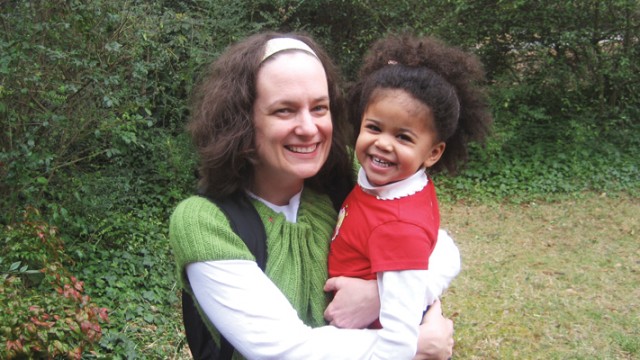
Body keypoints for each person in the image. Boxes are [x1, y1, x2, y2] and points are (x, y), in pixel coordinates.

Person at [169, 31, 455, 359]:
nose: (308, 127)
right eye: (284, 111)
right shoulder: (204, 222)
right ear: (243, 121)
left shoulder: (342, 188)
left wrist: (378, 295)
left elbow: (439, 247)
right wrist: (414, 344)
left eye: (319, 108)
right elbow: (284, 349)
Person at [327, 33, 492, 359]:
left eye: (403, 137)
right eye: (374, 127)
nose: (383, 143)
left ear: (432, 153)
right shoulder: (397, 186)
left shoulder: (397, 226)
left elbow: (399, 340)